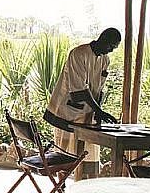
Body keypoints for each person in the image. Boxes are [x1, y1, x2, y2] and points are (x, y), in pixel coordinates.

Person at [44, 28, 121, 175]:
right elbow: (79, 91)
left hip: (89, 113)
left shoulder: (105, 60)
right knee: (64, 154)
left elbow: (99, 88)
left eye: (114, 48)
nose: (111, 50)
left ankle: (85, 183)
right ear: (103, 39)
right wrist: (99, 110)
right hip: (68, 111)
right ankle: (61, 184)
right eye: (111, 46)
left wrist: (98, 112)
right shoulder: (79, 54)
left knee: (88, 153)